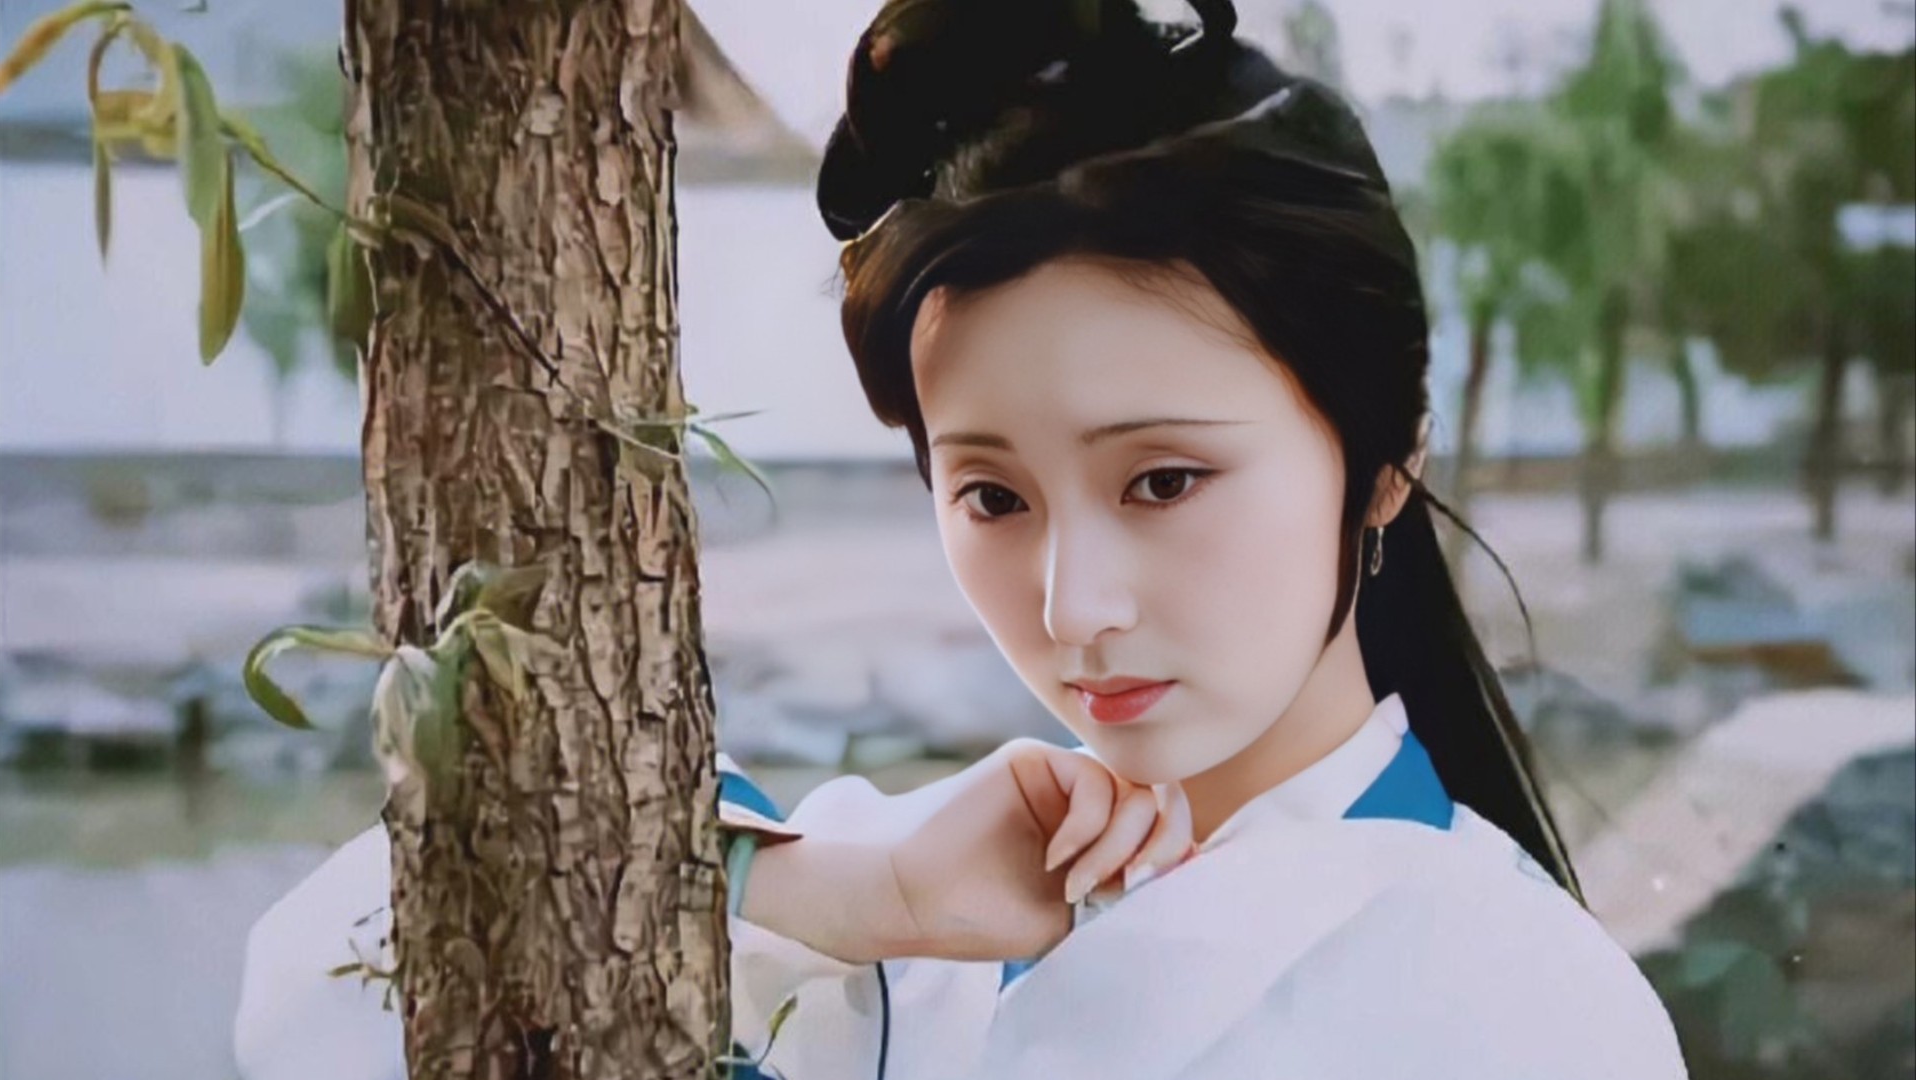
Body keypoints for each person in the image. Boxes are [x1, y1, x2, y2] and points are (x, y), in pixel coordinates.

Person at [232, 2, 1690, 1077]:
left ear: (1385, 462)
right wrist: (825, 891)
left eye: (1163, 480)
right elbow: (318, 997)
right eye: (992, 497)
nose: (1073, 606)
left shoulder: (1521, 1005)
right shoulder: (897, 906)